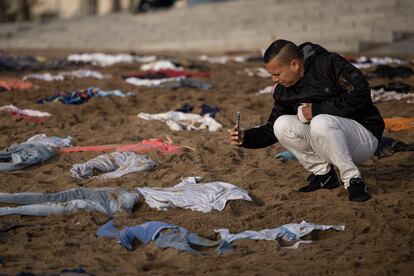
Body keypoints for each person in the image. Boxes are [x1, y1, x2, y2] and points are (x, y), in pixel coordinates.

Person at [230, 39, 384, 202]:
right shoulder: (283, 91)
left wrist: (316, 110)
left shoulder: (328, 63)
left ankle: (353, 181)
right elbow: (271, 130)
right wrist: (245, 138)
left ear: (294, 65)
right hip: (328, 142)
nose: (274, 80)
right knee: (281, 124)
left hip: (364, 135)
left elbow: (360, 93)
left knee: (320, 121)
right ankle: (324, 175)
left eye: (277, 74)